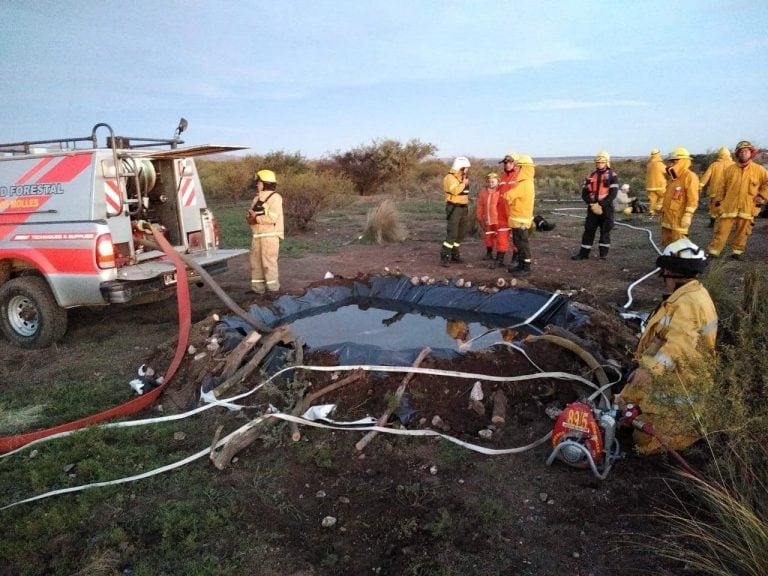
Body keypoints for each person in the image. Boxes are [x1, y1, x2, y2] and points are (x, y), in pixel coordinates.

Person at [617, 238, 717, 455]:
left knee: (643, 439)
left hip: (683, 386)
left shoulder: (689, 304)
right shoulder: (684, 297)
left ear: (674, 273)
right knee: (622, 403)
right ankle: (634, 413)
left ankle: (689, 433)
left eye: (665, 272)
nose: (663, 278)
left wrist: (648, 370)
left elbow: (679, 345)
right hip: (668, 375)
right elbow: (663, 337)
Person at [707, 140, 768, 260]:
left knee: (743, 231)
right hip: (729, 206)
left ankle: (737, 252)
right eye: (741, 151)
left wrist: (762, 196)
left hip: (748, 206)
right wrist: (719, 202)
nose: (744, 153)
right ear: (737, 154)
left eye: (746, 151)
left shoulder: (760, 170)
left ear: (751, 153)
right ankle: (714, 251)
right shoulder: (730, 170)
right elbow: (721, 187)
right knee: (721, 230)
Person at [572, 151, 619, 260]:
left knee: (605, 231)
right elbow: (584, 194)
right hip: (592, 208)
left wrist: (601, 204)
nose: (599, 164)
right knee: (589, 230)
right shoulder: (590, 176)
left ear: (607, 162)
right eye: (597, 162)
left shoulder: (612, 175)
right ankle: (583, 254)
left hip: (606, 208)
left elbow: (613, 194)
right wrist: (592, 204)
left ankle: (603, 255)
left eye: (601, 162)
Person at [247, 169, 284, 294]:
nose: (257, 185)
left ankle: (274, 291)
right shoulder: (257, 198)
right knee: (256, 264)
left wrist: (256, 218)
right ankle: (258, 290)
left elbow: (273, 218)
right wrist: (250, 219)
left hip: (270, 237)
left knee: (269, 264)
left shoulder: (275, 198)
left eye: (259, 182)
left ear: (265, 183)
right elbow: (251, 215)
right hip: (257, 236)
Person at [659, 147, 699, 248]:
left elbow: (693, 199)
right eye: (671, 161)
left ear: (684, 161)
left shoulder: (690, 176)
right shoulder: (673, 178)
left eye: (675, 161)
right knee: (667, 245)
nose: (671, 164)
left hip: (679, 220)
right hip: (667, 218)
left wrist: (688, 215)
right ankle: (668, 262)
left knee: (680, 247)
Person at [504, 154, 536, 275]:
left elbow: (509, 195)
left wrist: (507, 196)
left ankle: (526, 267)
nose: (516, 169)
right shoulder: (524, 182)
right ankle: (521, 265)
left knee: (523, 243)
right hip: (518, 218)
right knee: (518, 242)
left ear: (525, 168)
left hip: (521, 219)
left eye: (519, 167)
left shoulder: (525, 183)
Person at [440, 156, 471, 266]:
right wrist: (464, 183)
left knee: (461, 233)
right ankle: (445, 256)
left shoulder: (462, 177)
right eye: (466, 168)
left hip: (463, 208)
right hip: (454, 208)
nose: (467, 170)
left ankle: (455, 253)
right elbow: (454, 190)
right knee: (452, 233)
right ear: (460, 167)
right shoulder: (450, 178)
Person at [493, 152, 519, 268]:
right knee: (501, 236)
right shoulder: (502, 177)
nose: (507, 165)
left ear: (515, 163)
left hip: (515, 212)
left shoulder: (519, 177)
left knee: (516, 237)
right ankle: (500, 260)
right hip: (502, 212)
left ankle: (516, 259)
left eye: (510, 162)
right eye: (505, 163)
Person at [700, 146, 734, 227]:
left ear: (719, 155)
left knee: (713, 208)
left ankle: (712, 223)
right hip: (729, 191)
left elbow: (706, 176)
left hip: (714, 191)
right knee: (728, 207)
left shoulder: (714, 165)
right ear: (729, 154)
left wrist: (700, 185)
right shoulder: (734, 165)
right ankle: (726, 224)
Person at [475, 172, 500, 260]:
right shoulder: (483, 191)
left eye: (493, 181)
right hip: (487, 219)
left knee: (499, 237)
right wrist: (479, 216)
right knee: (488, 236)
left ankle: (499, 255)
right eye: (489, 181)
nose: (491, 183)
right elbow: (480, 205)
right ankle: (489, 253)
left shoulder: (500, 191)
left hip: (498, 219)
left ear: (497, 181)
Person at [645, 148, 667, 217]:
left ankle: (651, 211)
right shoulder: (660, 164)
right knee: (664, 196)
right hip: (660, 185)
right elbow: (667, 172)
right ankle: (658, 207)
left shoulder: (649, 164)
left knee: (652, 199)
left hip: (650, 186)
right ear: (658, 154)